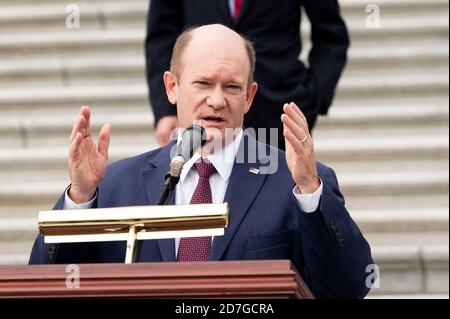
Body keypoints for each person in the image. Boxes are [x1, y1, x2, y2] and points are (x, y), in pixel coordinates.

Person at [29, 25, 373, 299]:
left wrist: (311, 191)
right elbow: (50, 284)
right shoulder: (115, 185)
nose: (217, 100)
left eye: (232, 87)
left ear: (250, 97)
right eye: (203, 83)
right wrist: (80, 197)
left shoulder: (297, 182)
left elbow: (348, 289)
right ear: (172, 87)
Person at [146, 0, 350, 150]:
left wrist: (312, 98)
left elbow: (331, 34)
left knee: (277, 202)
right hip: (201, 118)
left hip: (277, 112)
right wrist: (165, 109)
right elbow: (162, 34)